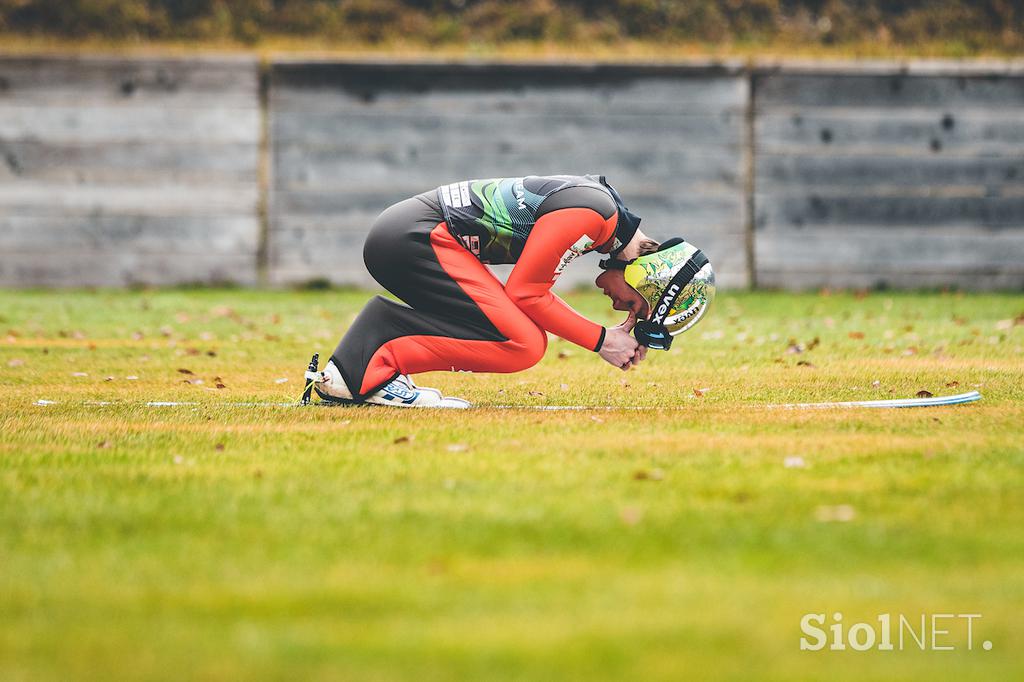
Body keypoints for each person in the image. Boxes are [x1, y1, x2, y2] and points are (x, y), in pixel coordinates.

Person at [305, 175, 715, 408]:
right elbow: (526, 293)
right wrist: (602, 340)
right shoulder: (595, 215)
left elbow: (528, 293)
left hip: (411, 235)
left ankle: (373, 352)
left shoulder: (602, 214)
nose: (624, 310)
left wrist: (607, 335)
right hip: (415, 237)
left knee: (517, 332)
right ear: (645, 275)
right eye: (637, 306)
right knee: (522, 342)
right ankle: (362, 370)